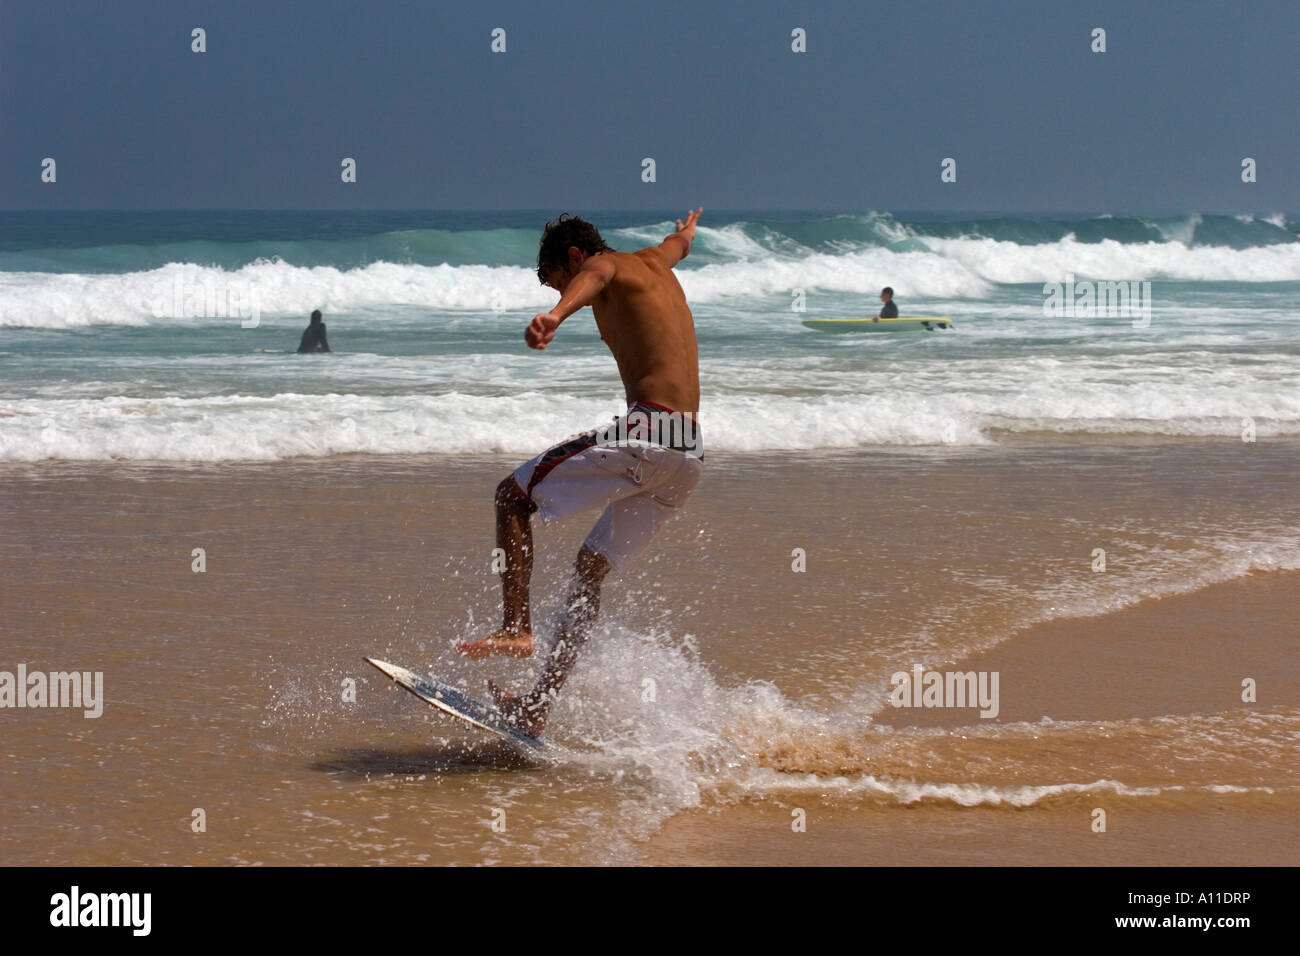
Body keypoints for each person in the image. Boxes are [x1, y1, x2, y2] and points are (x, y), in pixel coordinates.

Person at [454, 209, 705, 738]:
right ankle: (537, 707)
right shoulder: (657, 262)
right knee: (589, 570)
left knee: (511, 495)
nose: (566, 286)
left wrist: (556, 313)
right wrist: (685, 234)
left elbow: (595, 277)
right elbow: (675, 246)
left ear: (572, 256)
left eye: (557, 278)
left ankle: (516, 629)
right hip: (689, 453)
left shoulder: (606, 268)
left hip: (649, 432)